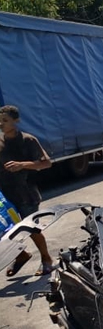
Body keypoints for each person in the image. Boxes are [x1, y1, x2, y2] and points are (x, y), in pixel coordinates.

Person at [0, 105, 55, 277]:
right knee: (7, 230)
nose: (1, 124)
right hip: (6, 195)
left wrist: (22, 164)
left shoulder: (27, 140)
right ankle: (21, 255)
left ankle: (47, 260)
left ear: (16, 121)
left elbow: (46, 163)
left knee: (30, 229)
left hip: (26, 193)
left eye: (5, 120)